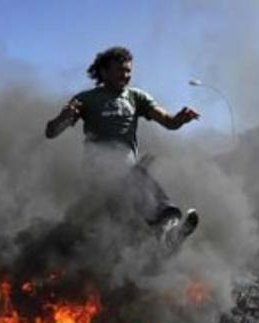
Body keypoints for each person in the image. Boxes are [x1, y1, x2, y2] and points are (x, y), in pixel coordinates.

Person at [45, 46, 201, 253]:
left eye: (128, 71)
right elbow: (52, 131)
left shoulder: (137, 97)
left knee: (141, 216)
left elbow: (168, 121)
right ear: (104, 72)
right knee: (138, 189)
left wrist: (180, 119)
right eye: (120, 70)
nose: (125, 75)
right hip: (99, 170)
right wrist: (63, 118)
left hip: (128, 172)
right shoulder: (86, 98)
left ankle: (168, 236)